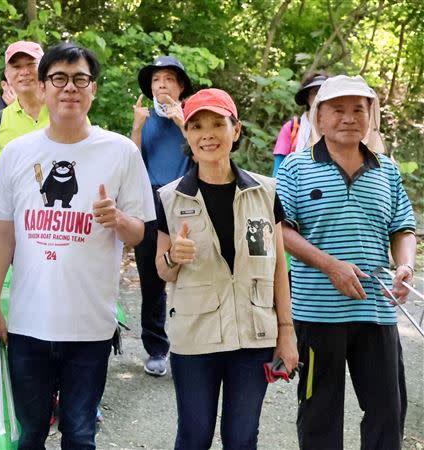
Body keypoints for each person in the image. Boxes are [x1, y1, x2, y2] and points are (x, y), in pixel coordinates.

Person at [0, 42, 154, 449]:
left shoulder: (121, 152)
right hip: (27, 324)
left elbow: (139, 233)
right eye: (59, 78)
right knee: (31, 433)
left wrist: (119, 219)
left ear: (92, 89)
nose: (69, 88)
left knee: (79, 433)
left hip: (90, 327)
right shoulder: (18, 153)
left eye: (80, 79)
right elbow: (2, 235)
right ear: (42, 87)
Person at [276, 75, 416, 449]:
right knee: (319, 413)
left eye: (359, 109)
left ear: (370, 116)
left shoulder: (386, 170)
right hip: (316, 313)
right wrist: (330, 265)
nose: (349, 118)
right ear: (319, 116)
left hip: (377, 310)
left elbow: (403, 228)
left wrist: (406, 266)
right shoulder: (294, 168)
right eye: (338, 109)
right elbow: (282, 231)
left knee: (388, 412)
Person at [154, 88, 298, 449]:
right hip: (195, 337)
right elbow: (161, 269)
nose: (207, 134)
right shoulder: (170, 198)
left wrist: (287, 330)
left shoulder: (266, 191)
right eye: (197, 125)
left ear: (235, 130)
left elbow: (280, 265)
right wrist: (175, 257)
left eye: (218, 124)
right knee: (193, 436)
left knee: (242, 437)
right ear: (186, 134)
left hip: (254, 336)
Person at [131, 55, 193, 376]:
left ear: (180, 86)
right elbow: (132, 164)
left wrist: (183, 121)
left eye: (169, 79)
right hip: (150, 202)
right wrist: (137, 128)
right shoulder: (145, 118)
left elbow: (204, 154)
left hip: (186, 200)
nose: (162, 85)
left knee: (189, 273)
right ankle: (156, 347)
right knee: (151, 277)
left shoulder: (194, 117)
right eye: (156, 80)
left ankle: (189, 346)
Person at [0, 40, 46, 254]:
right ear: (7, 75)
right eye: (16, 67)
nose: (24, 72)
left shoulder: (65, 112)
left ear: (45, 69)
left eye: (31, 64)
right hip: (13, 228)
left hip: (58, 225)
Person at [271, 73, 327, 177]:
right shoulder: (292, 127)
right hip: (294, 187)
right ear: (307, 97)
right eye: (315, 92)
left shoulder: (339, 128)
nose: (320, 96)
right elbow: (278, 170)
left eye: (325, 91)